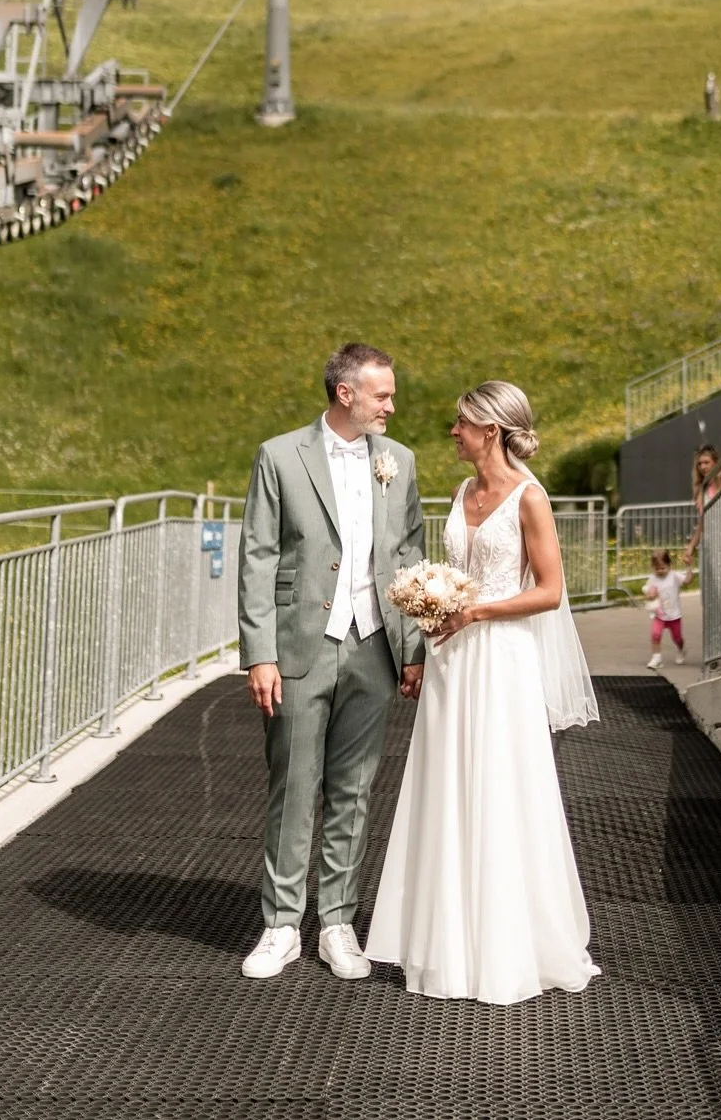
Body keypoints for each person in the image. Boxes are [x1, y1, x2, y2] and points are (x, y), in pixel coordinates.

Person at [365, 381, 600, 1003]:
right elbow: (455, 576)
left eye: (461, 423)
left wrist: (475, 612)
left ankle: (506, 950)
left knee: (500, 788)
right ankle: (448, 945)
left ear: (490, 430)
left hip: (502, 661)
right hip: (452, 663)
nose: (453, 432)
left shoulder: (531, 499)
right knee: (448, 788)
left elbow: (549, 591)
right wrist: (433, 602)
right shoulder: (462, 492)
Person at [237, 342, 426, 982]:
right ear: (346, 393)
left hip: (374, 646)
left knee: (354, 788)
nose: (392, 406)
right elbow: (258, 557)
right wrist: (259, 653)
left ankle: (338, 923)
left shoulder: (399, 462)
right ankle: (280, 927)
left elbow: (408, 556)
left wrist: (412, 649)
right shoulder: (278, 455)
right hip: (299, 644)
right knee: (292, 785)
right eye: (383, 395)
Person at [644, 548, 693, 668]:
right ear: (653, 567)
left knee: (677, 638)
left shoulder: (674, 576)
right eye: (657, 568)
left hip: (674, 615)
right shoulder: (652, 578)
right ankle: (657, 658)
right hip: (659, 615)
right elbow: (648, 592)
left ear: (669, 565)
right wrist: (650, 595)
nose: (660, 571)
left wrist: (689, 567)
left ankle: (681, 649)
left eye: (663, 568)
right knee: (655, 634)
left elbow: (687, 581)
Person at [685, 443, 721, 562]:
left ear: (715, 463)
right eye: (700, 464)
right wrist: (691, 546)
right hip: (709, 540)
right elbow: (702, 522)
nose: (702, 467)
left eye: (707, 462)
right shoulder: (703, 489)